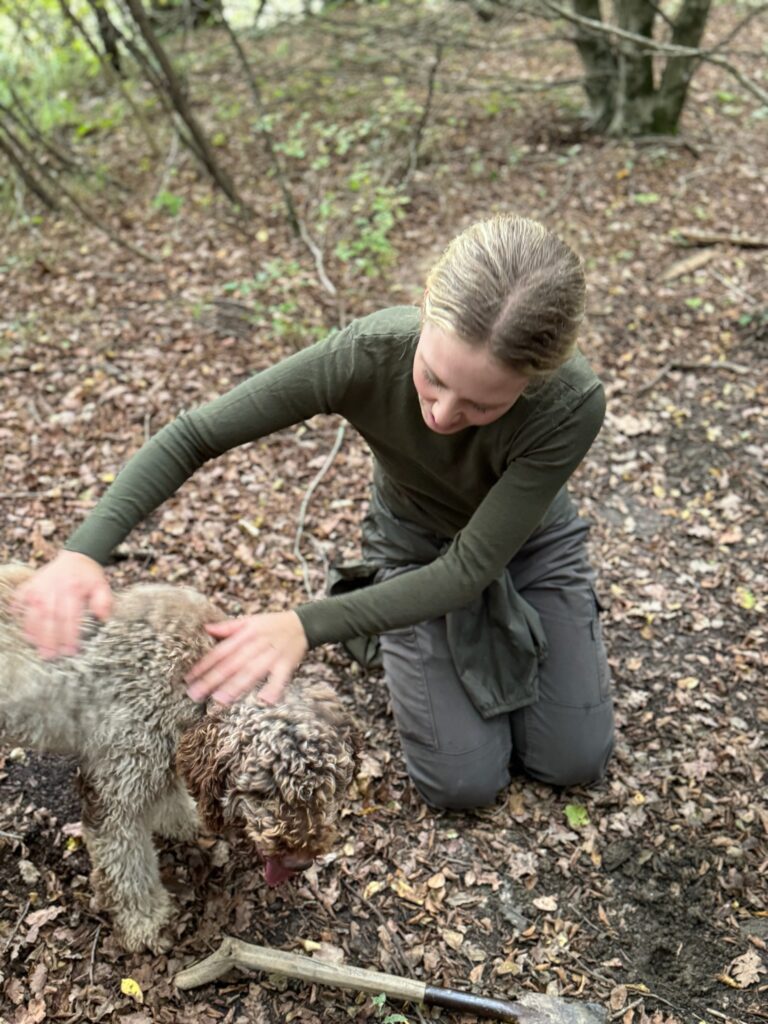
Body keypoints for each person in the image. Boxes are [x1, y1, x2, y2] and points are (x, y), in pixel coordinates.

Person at [13, 215, 613, 810]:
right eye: (432, 378)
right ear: (426, 303)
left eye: (481, 405)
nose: (441, 414)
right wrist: (83, 550)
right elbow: (194, 435)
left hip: (528, 548)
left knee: (572, 762)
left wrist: (305, 623)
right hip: (412, 546)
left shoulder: (571, 403)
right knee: (464, 784)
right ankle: (401, 615)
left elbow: (468, 570)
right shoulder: (367, 354)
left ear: (535, 380)